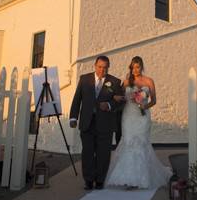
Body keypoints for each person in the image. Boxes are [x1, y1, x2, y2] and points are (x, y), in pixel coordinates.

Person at [105, 56, 172, 189]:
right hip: (128, 116)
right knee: (128, 142)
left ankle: (141, 178)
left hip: (142, 116)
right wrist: (124, 97)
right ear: (130, 67)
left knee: (141, 143)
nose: (135, 69)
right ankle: (126, 177)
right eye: (133, 67)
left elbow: (154, 100)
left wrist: (143, 106)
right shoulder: (125, 82)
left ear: (141, 67)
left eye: (138, 67)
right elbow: (120, 98)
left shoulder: (149, 81)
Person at [69, 56, 124, 190]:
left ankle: (100, 180)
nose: (102, 70)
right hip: (87, 122)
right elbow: (77, 99)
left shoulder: (115, 82)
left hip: (105, 124)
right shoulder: (84, 79)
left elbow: (120, 101)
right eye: (100, 67)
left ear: (108, 67)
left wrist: (110, 105)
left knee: (103, 153)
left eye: (105, 67)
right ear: (95, 66)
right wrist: (73, 117)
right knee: (87, 152)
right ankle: (88, 180)